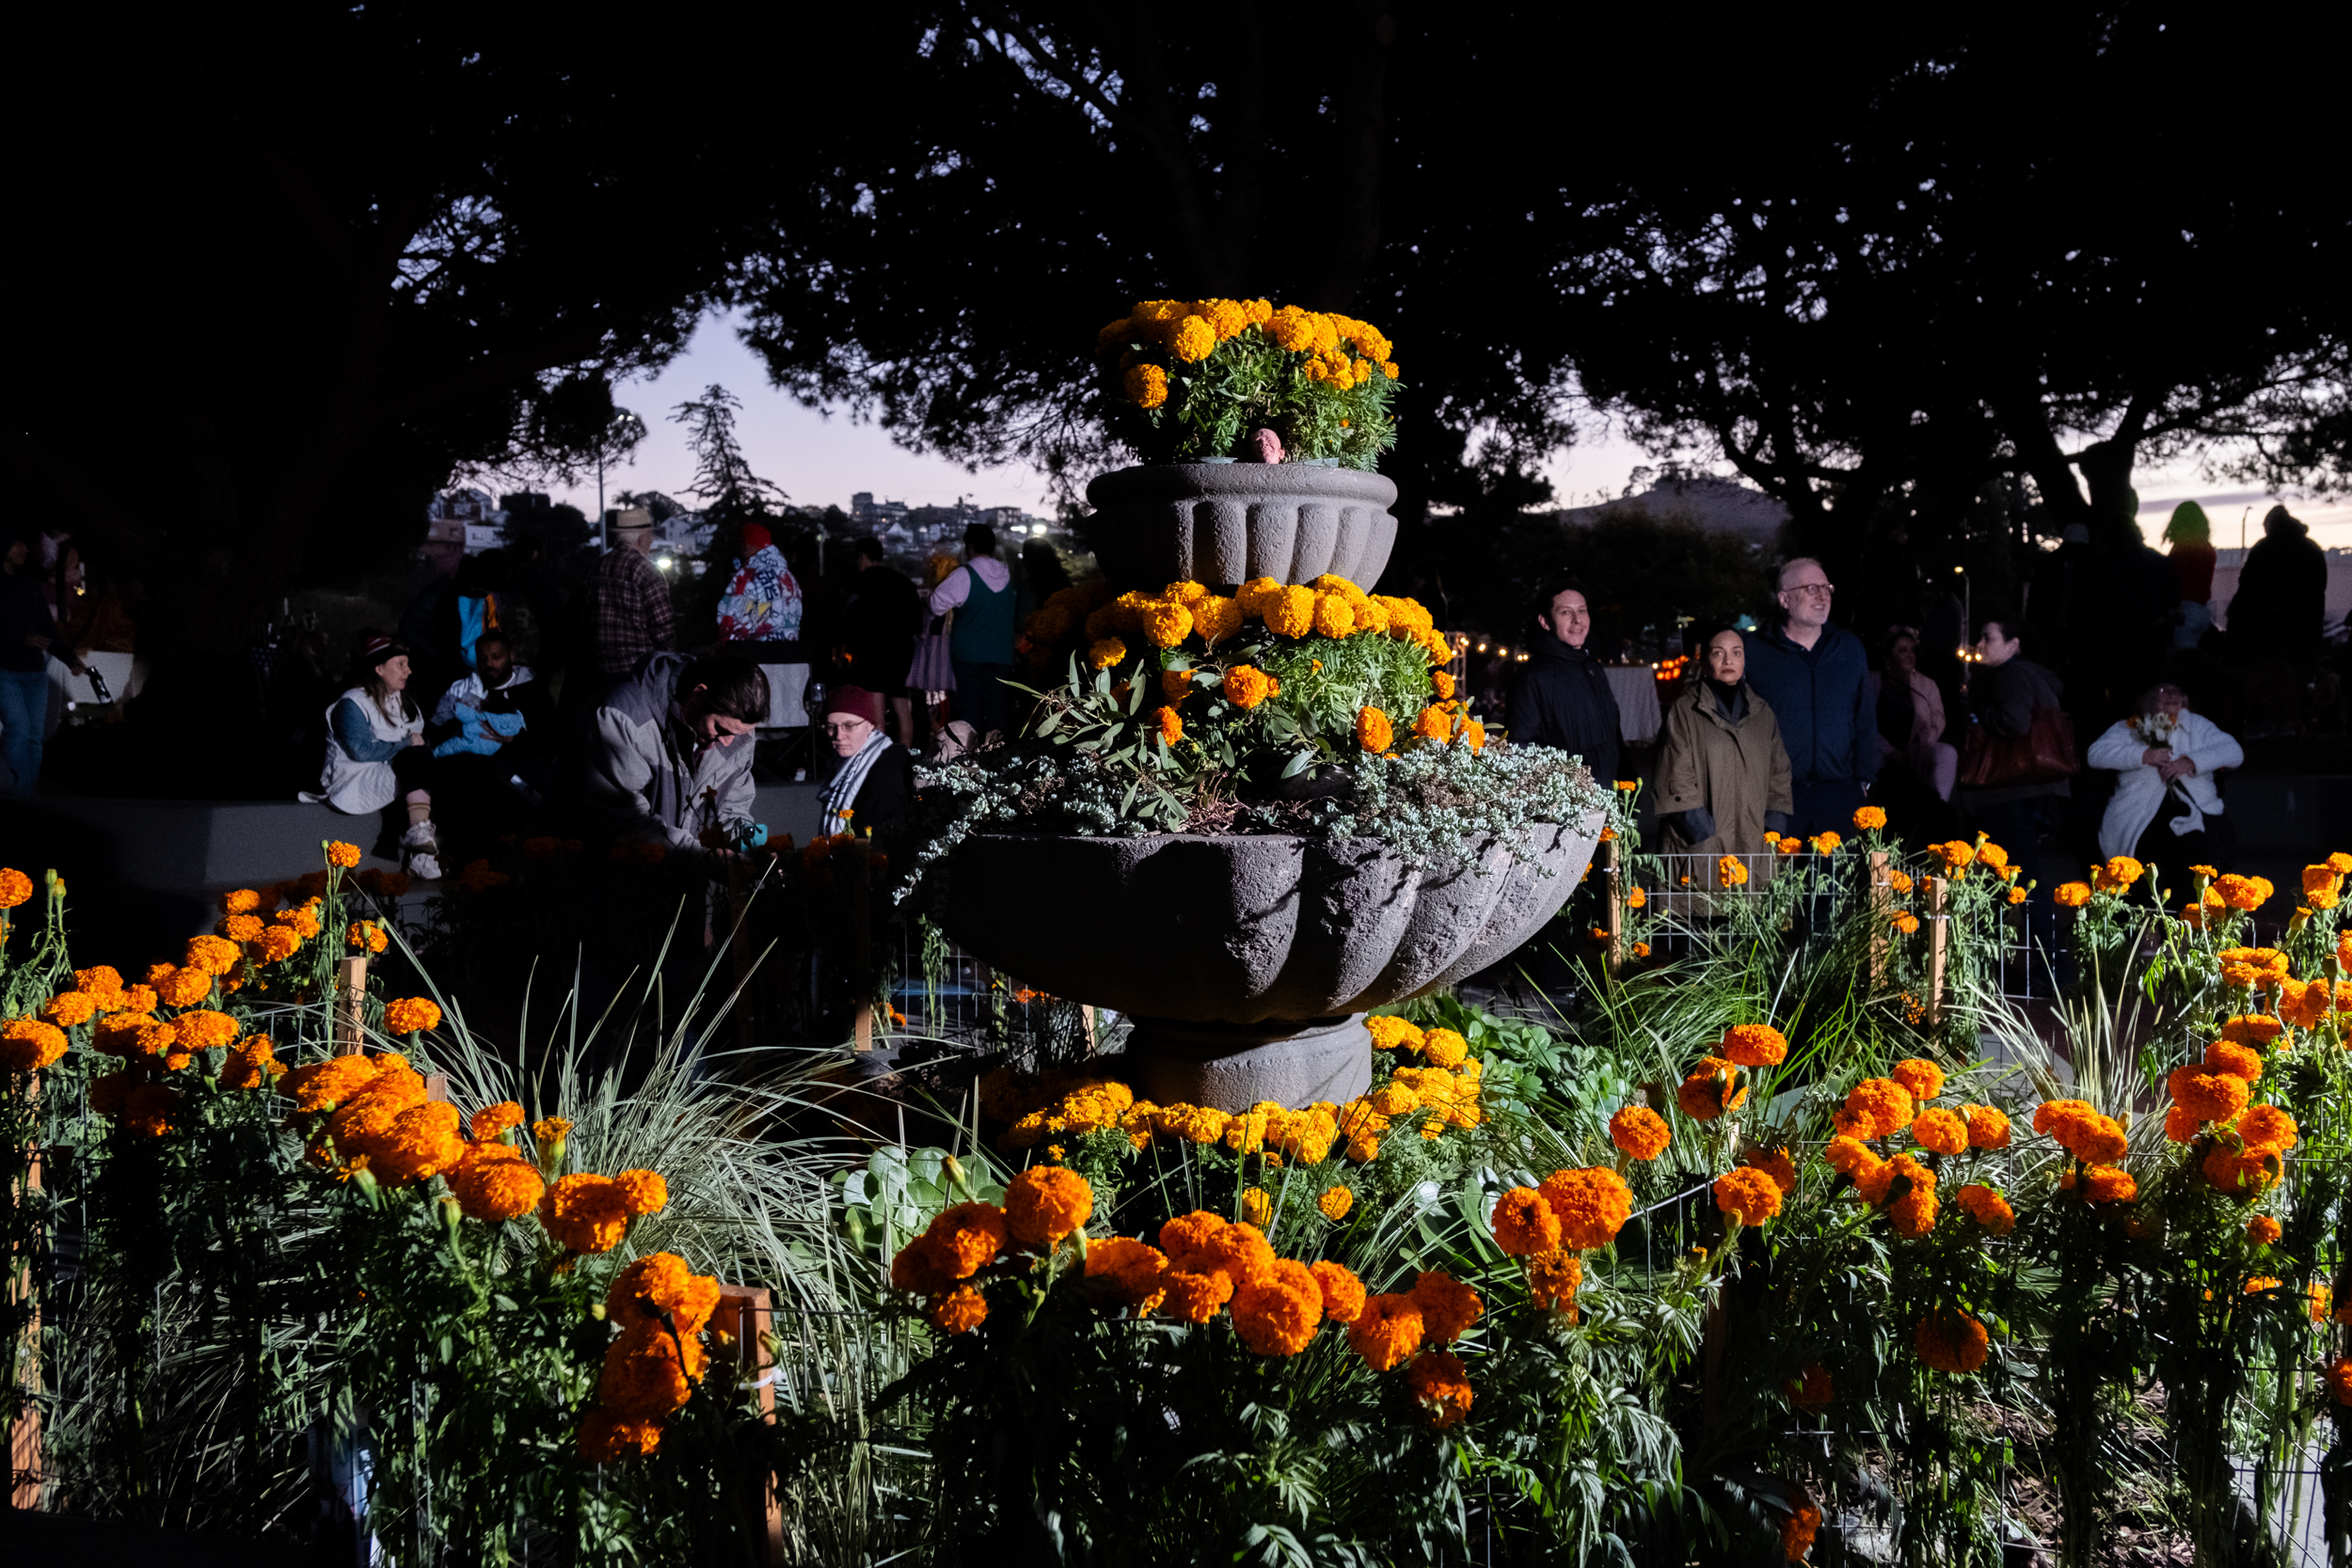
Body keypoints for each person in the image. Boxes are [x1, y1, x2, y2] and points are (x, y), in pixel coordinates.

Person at [584, 651, 768, 866]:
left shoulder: (737, 733)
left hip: (680, 879)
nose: (728, 743)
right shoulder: (623, 720)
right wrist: (705, 860)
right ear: (698, 695)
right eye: (720, 728)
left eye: (739, 734)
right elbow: (625, 823)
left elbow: (733, 810)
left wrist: (753, 848)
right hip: (608, 877)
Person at [1741, 557, 1876, 835]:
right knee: (1777, 878)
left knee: (1836, 878)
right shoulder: (1754, 651)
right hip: (1775, 795)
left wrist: (1864, 779)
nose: (1823, 596)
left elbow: (1865, 717)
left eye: (1826, 588)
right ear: (1784, 599)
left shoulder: (1848, 648)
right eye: (1811, 588)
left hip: (1839, 792)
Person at [301, 635, 443, 879]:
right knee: (417, 760)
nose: (408, 671)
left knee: (435, 767)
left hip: (396, 773)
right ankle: (418, 844)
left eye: (408, 664)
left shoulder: (407, 704)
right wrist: (406, 744)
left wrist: (418, 744)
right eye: (400, 664)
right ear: (379, 668)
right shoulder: (353, 703)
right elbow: (361, 751)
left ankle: (423, 856)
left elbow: (420, 743)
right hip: (355, 780)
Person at [1653, 627, 1792, 873]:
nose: (1728, 660)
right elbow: (1675, 779)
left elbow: (1779, 774)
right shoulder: (1685, 712)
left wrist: (1773, 830)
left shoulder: (1762, 714)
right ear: (1705, 662)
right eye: (1719, 653)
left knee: (1751, 907)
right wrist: (1706, 837)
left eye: (1736, 653)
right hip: (1704, 847)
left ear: (1744, 661)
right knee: (1705, 906)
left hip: (1755, 846)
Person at [2086, 682, 2242, 866]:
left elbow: (2234, 752)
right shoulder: (2129, 728)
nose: (2171, 696)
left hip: (2193, 809)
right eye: (2163, 691)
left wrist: (2191, 761)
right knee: (2147, 860)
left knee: (2193, 858)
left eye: (2177, 692)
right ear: (2146, 698)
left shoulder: (2197, 725)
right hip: (2138, 810)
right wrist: (2142, 756)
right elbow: (2095, 755)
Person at [1955, 618, 2071, 859]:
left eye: (1989, 638)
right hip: (2033, 785)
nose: (1980, 644)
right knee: (2016, 873)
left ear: (2013, 644)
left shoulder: (2012, 675)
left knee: (2017, 876)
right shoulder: (2029, 673)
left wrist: (1980, 710)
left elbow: (2014, 722)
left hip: (2012, 788)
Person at [1505, 578, 1622, 786]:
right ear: (1545, 621)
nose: (1577, 620)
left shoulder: (1592, 667)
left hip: (1607, 797)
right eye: (1565, 612)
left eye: (1582, 610)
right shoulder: (1533, 676)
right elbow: (1518, 746)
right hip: (1565, 804)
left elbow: (1612, 733)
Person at [718, 521, 811, 752]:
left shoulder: (747, 578)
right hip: (788, 693)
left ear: (745, 546)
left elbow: (729, 624)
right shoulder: (789, 579)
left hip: (753, 683)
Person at [0, 527, 80, 793]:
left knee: (34, 737)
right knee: (19, 731)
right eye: (17, 545)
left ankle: (26, 793)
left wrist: (70, 658)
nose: (24, 550)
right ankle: (15, 795)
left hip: (35, 671)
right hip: (6, 670)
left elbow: (46, 628)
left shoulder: (28, 583)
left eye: (24, 544)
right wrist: (21, 639)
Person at [929, 524, 1017, 739]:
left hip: (967, 656)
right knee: (997, 712)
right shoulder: (1006, 573)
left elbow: (936, 604)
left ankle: (968, 762)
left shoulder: (964, 575)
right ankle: (996, 760)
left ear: (969, 546)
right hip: (1002, 655)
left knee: (968, 713)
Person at [838, 538, 921, 746]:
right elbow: (917, 620)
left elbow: (846, 619)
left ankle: (880, 764)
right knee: (903, 713)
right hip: (902, 653)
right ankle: (904, 761)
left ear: (862, 557)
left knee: (877, 718)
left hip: (872, 653)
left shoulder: (861, 583)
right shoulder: (904, 583)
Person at [587, 509, 676, 691]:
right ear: (642, 538)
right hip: (639, 668)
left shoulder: (598, 566)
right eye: (650, 535)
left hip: (601, 666)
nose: (651, 540)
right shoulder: (646, 571)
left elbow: (587, 613)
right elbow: (662, 627)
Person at [2228, 503, 2328, 666]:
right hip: (2307, 628)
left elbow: (2247, 590)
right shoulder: (2313, 549)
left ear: (2269, 525)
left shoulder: (2263, 549)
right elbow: (2320, 589)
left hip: (2271, 629)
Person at [817, 685, 917, 837]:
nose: (838, 735)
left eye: (849, 726)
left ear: (871, 724)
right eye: (831, 727)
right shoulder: (844, 762)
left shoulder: (884, 773)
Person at [1868, 627, 1956, 801]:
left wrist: (1921, 743)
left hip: (1915, 749)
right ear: (1887, 656)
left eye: (1912, 650)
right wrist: (1889, 752)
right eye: (1902, 650)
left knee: (1946, 753)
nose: (1910, 655)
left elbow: (1938, 719)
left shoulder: (1926, 685)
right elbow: (1863, 722)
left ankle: (1936, 807)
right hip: (1877, 750)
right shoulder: (1871, 682)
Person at [2163, 501, 2217, 652]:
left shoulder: (2183, 550)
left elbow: (2174, 580)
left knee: (2182, 660)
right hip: (2203, 609)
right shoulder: (2207, 549)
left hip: (2184, 611)